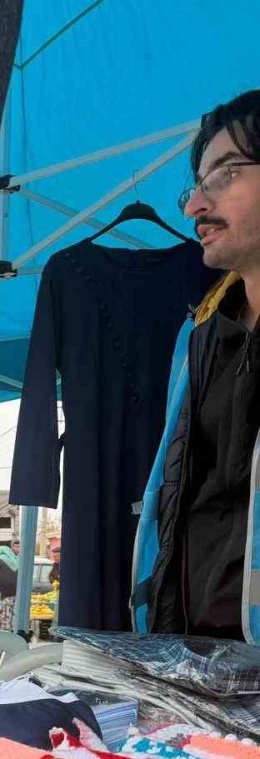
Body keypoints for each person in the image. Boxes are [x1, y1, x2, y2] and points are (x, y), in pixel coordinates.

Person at [137, 90, 260, 641]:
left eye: (225, 175)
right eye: (197, 185)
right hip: (194, 657)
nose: (194, 207)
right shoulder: (199, 339)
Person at [0, 539, 20, 630]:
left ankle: (5, 633)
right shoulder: (16, 560)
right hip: (15, 593)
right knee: (12, 615)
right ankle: (13, 632)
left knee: (5, 616)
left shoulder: (0, 559)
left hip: (5, 593)